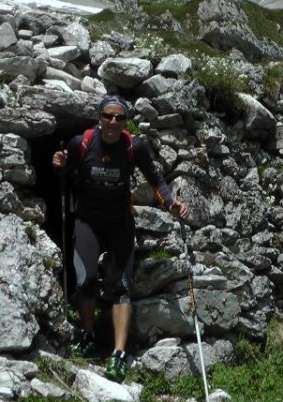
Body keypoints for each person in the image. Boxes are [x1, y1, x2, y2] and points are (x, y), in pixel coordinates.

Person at [52, 94, 189, 382]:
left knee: (121, 287)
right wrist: (59, 164)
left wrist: (170, 204)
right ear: (99, 118)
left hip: (119, 223)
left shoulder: (133, 146)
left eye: (119, 117)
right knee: (85, 280)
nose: (113, 121)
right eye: (107, 116)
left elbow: (155, 179)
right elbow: (66, 170)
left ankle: (118, 352)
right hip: (87, 220)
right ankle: (89, 334)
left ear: (125, 122)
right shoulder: (82, 143)